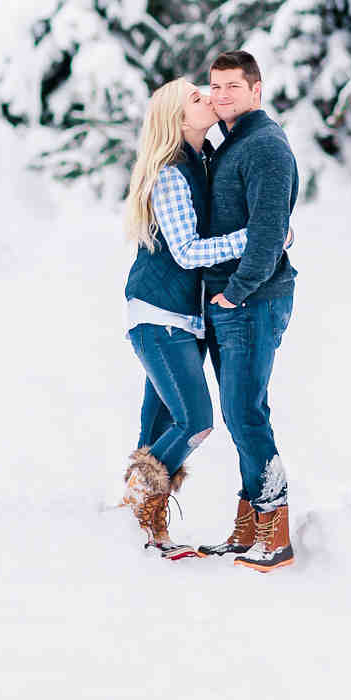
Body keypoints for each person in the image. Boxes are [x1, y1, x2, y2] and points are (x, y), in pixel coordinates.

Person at [120, 78, 249, 561]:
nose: (208, 98)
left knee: (153, 432)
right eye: (196, 98)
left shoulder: (199, 161)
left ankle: (136, 533)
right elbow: (188, 250)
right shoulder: (172, 173)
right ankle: (141, 506)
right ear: (178, 119)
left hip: (177, 318)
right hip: (160, 317)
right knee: (194, 421)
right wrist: (256, 239)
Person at [196, 50, 299, 573]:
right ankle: (247, 526)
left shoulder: (264, 146)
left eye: (232, 87)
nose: (220, 96)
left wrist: (237, 291)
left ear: (256, 90)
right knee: (241, 412)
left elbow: (267, 231)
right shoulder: (231, 142)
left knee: (244, 411)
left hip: (253, 299)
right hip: (230, 300)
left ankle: (274, 528)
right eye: (215, 87)